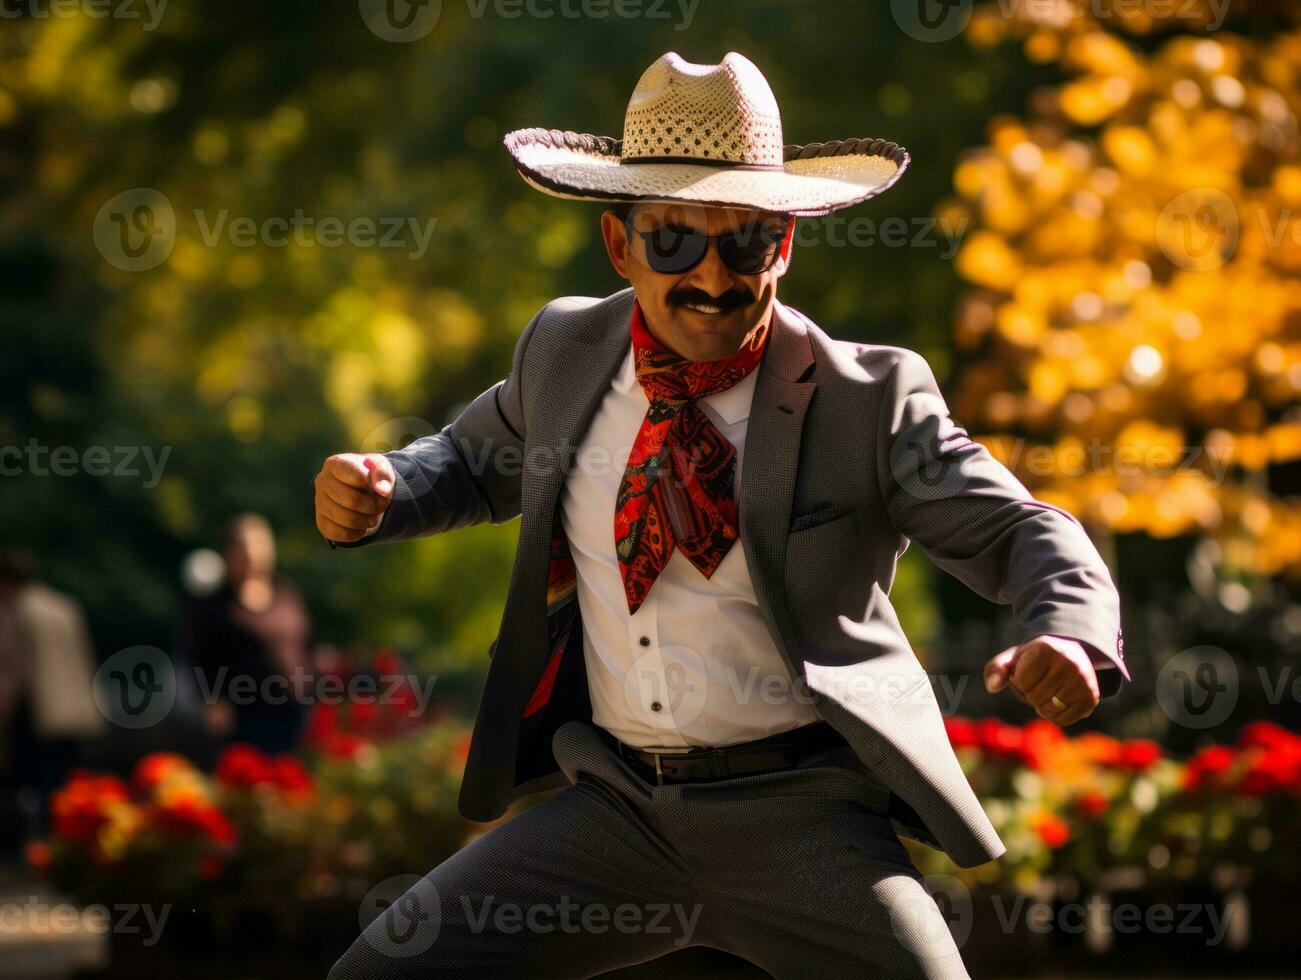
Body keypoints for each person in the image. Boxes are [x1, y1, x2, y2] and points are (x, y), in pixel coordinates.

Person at [317, 52, 1128, 979]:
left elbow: (1018, 528)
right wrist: (381, 491)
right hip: (616, 812)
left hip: (805, 819)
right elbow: (466, 459)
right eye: (671, 242)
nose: (710, 274)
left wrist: (1066, 630)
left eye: (742, 240)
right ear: (619, 247)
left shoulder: (868, 399)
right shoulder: (563, 350)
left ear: (782, 243)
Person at [0, 548, 106, 848]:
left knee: (36, 783)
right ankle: (73, 843)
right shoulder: (63, 606)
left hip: (39, 711)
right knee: (69, 781)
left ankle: (46, 847)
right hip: (76, 709)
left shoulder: (15, 610)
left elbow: (14, 666)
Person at [180, 514, 311, 754]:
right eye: (244, 547)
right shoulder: (214, 605)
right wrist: (212, 700)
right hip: (245, 717)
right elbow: (197, 653)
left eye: (260, 545)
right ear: (228, 554)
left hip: (294, 712)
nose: (253, 555)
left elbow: (302, 644)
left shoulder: (286, 593)